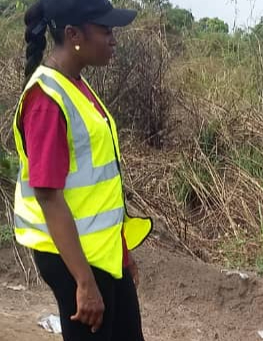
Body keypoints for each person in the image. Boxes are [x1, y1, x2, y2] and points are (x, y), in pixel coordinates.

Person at [13, 0, 152, 340]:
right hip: (73, 259)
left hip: (100, 252)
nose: (113, 38)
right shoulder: (47, 100)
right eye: (105, 30)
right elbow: (48, 196)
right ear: (73, 34)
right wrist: (84, 282)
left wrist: (121, 251)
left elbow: (95, 188)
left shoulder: (75, 84)